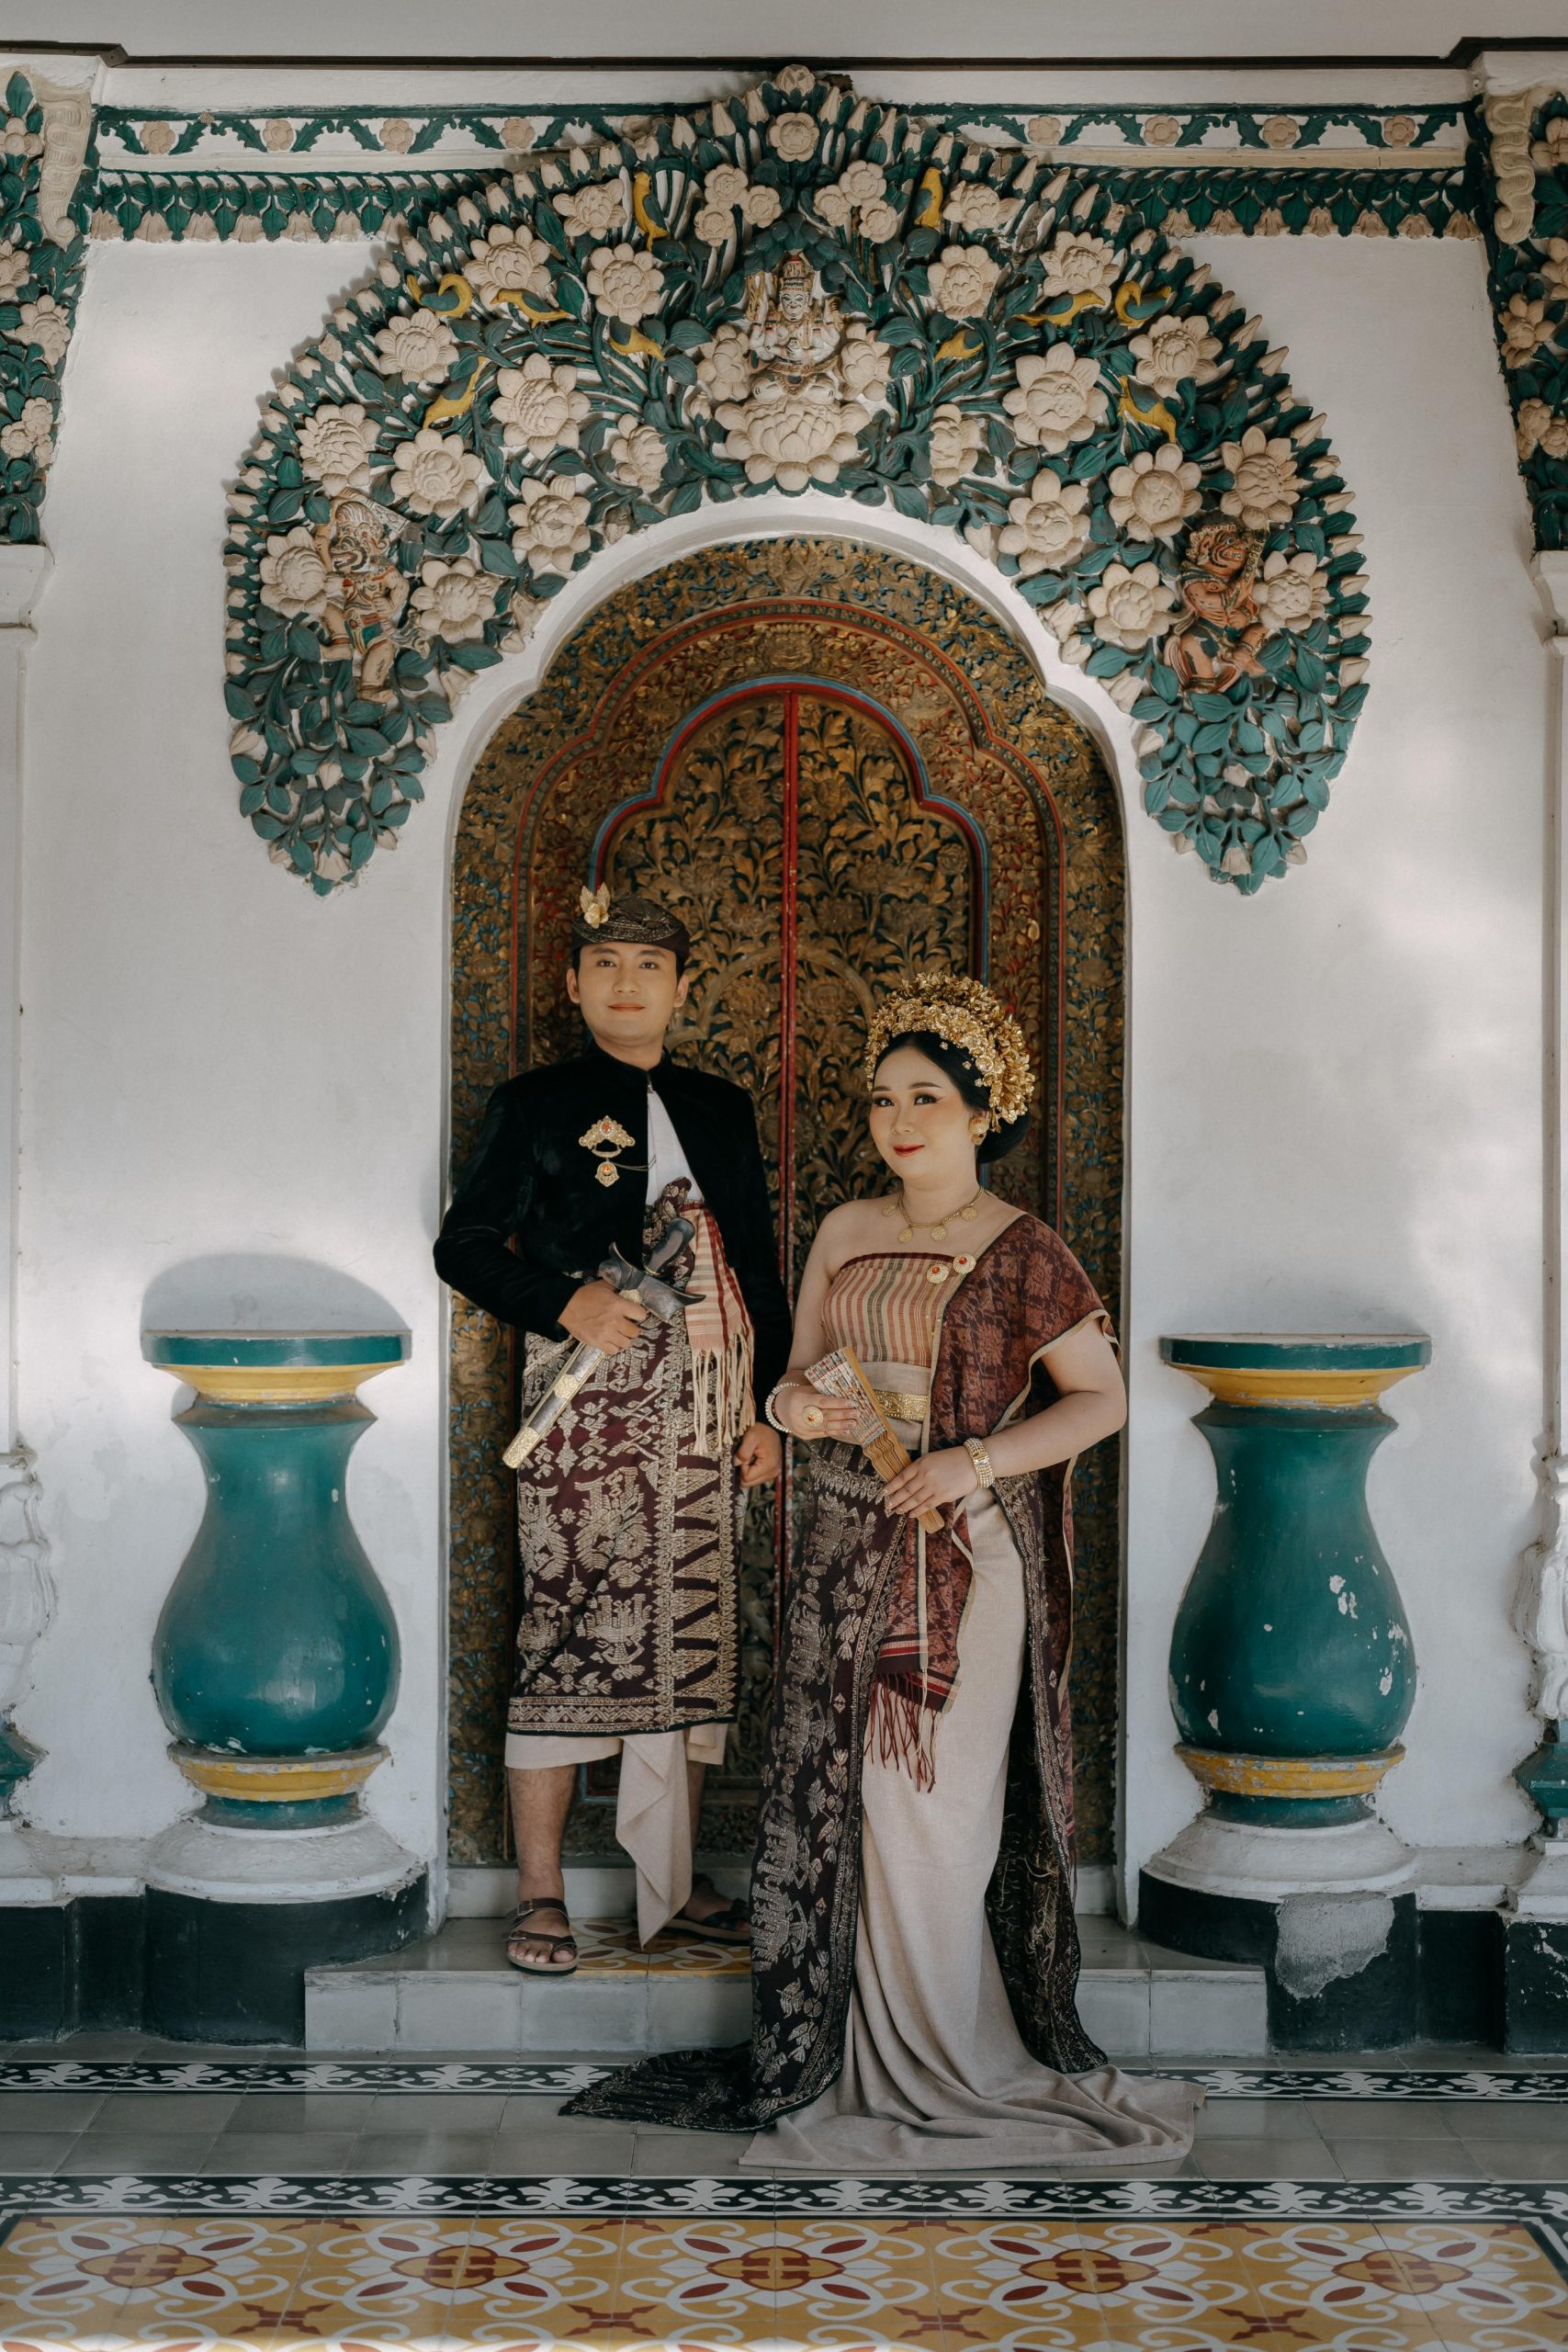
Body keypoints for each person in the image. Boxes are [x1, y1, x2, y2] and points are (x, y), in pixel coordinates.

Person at [567, 972, 1196, 2168]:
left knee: (933, 1814)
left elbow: (1101, 1401)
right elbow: (794, 1375)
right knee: (848, 1805)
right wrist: (797, 1409)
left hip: (966, 1556)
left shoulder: (1024, 1248)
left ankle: (949, 2059)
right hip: (844, 1550)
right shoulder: (847, 1232)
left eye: (926, 1098)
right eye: (882, 1099)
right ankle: (855, 2055)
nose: (898, 1121)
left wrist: (971, 1464)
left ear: (980, 1113)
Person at [434, 887, 790, 1973]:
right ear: (574, 983)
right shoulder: (536, 1104)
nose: (626, 984)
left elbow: (760, 1262)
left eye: (648, 967)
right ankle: (539, 1892)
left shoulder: (722, 1108)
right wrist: (566, 1301)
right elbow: (462, 1246)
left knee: (695, 1634)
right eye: (605, 965)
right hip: (584, 1402)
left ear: (682, 988)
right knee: (567, 1629)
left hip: (710, 1404)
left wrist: (769, 1408)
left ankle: (671, 1887)